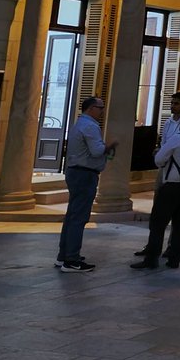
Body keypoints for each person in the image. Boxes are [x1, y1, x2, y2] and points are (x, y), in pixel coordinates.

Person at [131, 111, 180, 270]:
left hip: (173, 185)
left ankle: (151, 259)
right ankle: (174, 258)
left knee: (158, 222)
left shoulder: (179, 138)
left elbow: (159, 160)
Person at [56, 96, 118, 272]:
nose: (102, 111)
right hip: (84, 175)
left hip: (76, 172)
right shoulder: (90, 126)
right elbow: (97, 150)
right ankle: (72, 260)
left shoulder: (80, 124)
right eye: (100, 107)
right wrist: (110, 146)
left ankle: (64, 256)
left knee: (72, 216)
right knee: (79, 218)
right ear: (91, 108)